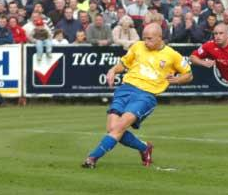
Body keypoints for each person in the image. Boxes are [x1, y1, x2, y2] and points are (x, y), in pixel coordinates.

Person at [82, 23, 193, 168]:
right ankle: (144, 147)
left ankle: (92, 157)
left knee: (120, 127)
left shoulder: (173, 55)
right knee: (112, 128)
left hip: (146, 95)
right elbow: (124, 64)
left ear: (160, 38)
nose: (146, 42)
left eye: (149, 39)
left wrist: (177, 80)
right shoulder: (137, 46)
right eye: (144, 38)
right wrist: (113, 70)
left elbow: (189, 75)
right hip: (125, 89)